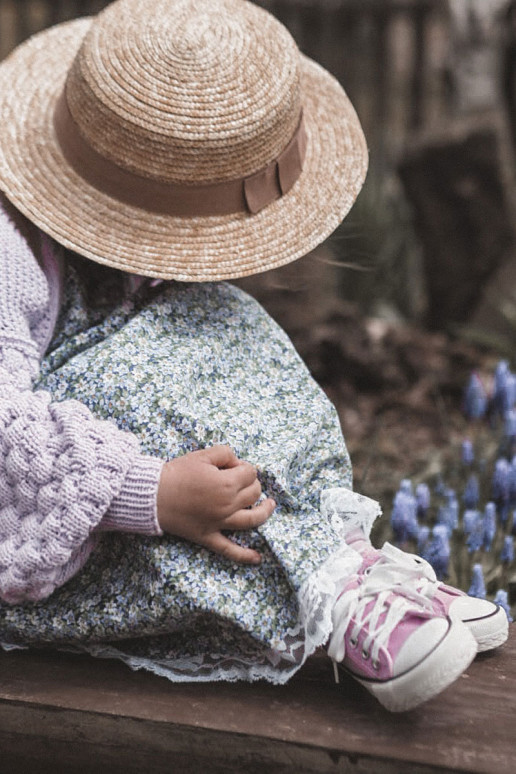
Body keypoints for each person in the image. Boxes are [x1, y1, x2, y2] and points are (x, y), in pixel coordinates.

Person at [0, 0, 508, 713]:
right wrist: (149, 492)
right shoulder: (9, 255)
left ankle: (342, 558)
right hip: (36, 538)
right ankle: (323, 599)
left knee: (218, 321)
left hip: (125, 500)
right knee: (156, 359)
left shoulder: (127, 272)